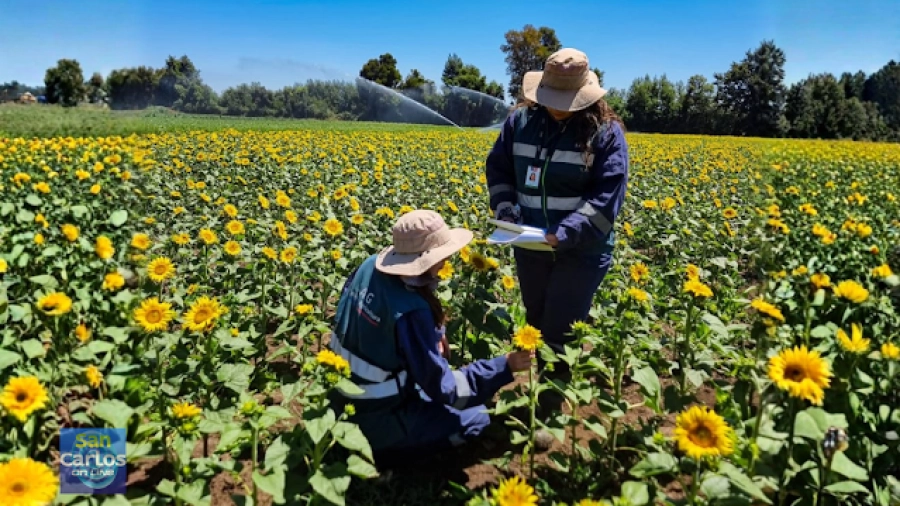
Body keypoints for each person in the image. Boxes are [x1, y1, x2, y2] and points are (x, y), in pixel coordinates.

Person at [326, 209, 534, 468]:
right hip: (375, 419)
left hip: (334, 403)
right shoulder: (411, 311)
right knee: (477, 417)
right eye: (444, 255)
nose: (449, 259)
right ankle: (386, 458)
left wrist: (430, 335)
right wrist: (505, 366)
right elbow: (447, 389)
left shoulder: (369, 266)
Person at [484, 48, 629, 410]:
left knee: (562, 326)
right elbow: (499, 168)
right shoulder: (519, 123)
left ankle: (549, 406)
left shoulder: (606, 134)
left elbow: (606, 199)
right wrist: (505, 207)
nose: (559, 107)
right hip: (530, 245)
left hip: (583, 250)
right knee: (536, 315)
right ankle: (541, 388)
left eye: (568, 100)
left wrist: (565, 232)